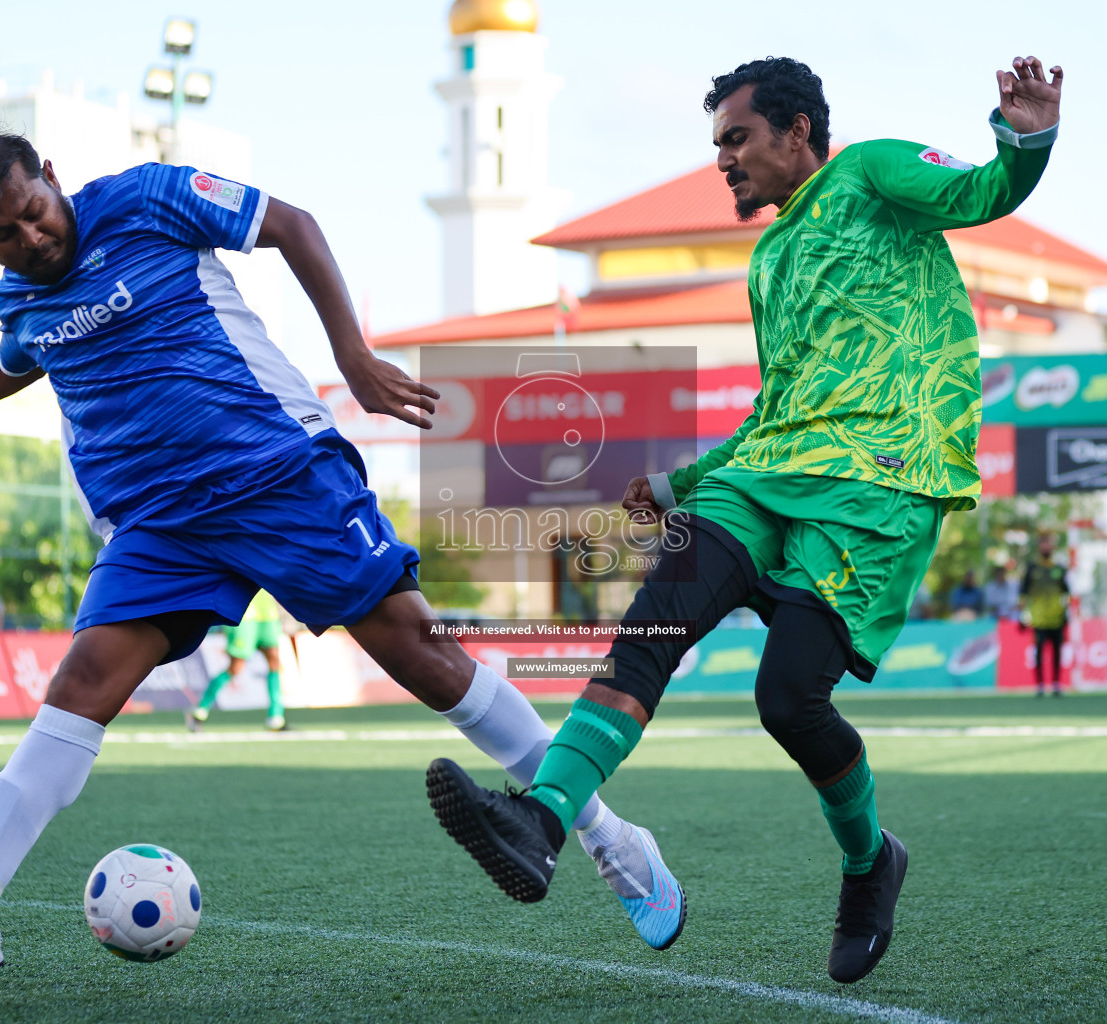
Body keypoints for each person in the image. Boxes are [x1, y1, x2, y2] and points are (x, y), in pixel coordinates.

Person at [0, 130, 683, 976]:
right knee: (80, 684)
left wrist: (350, 355)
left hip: (275, 472)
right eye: (3, 233)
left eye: (34, 212)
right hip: (159, 522)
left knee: (418, 653)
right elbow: (15, 362)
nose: (31, 237)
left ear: (51, 177)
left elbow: (293, 224)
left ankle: (611, 840)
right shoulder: (21, 297)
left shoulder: (144, 197)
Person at [425, 55, 1062, 984]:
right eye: (717, 143)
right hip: (763, 475)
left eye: (737, 139)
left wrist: (1028, 133)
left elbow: (984, 190)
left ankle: (869, 861)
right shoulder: (768, 259)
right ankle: (542, 820)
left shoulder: (876, 169)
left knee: (788, 701)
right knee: (649, 631)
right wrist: (686, 482)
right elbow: (779, 407)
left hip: (878, 483)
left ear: (797, 131)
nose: (724, 159)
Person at [187, 590, 288, 731]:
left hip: (266, 610)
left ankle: (276, 717)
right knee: (236, 667)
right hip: (244, 613)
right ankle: (199, 710)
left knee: (274, 661)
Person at [1019, 532, 1070, 696]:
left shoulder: (1059, 568)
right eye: (1044, 543)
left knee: (1057, 651)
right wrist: (1022, 616)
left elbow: (1067, 593)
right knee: (1039, 652)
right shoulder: (1032, 568)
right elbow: (1023, 593)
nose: (1047, 546)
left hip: (1057, 618)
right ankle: (1040, 685)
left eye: (1050, 543)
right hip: (1038, 619)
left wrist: (1067, 614)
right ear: (1040, 546)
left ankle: (1056, 684)